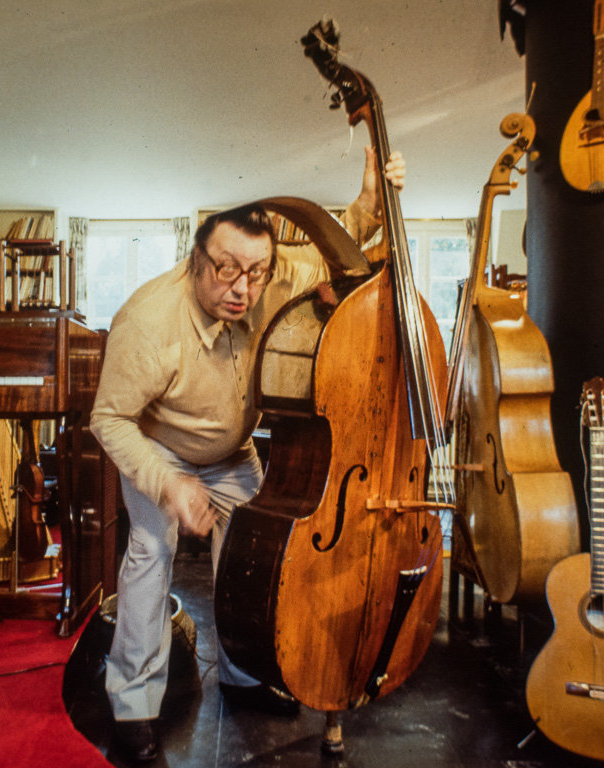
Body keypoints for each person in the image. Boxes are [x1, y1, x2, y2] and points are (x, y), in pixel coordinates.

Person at [90, 146, 405, 763]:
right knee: (151, 556)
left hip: (233, 454)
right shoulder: (148, 323)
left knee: (253, 562)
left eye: (255, 272)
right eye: (226, 269)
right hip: (161, 450)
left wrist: (372, 197)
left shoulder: (272, 272)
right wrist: (169, 484)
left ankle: (242, 675)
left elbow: (340, 243)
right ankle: (131, 704)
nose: (242, 287)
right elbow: (110, 419)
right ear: (196, 256)